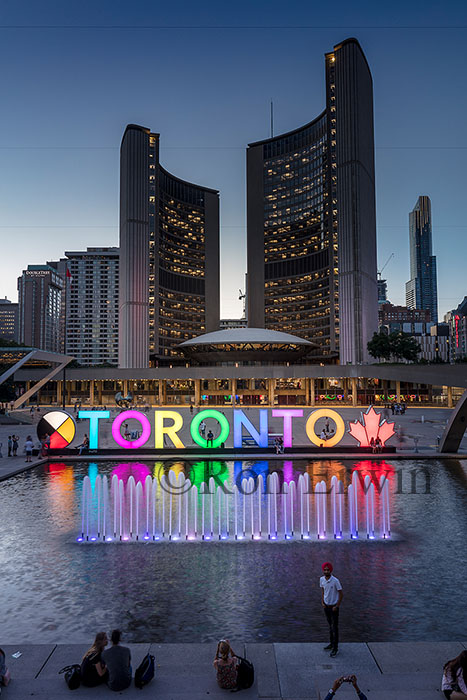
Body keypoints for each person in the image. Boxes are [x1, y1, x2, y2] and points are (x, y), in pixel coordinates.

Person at [320, 561, 343, 657]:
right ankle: (331, 643)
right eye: (325, 570)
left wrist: (337, 605)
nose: (326, 571)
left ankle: (335, 647)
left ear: (330, 570)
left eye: (327, 570)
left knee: (335, 627)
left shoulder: (335, 581)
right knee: (330, 626)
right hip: (326, 606)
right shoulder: (321, 579)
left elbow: (341, 594)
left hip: (334, 607)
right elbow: (323, 591)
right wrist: (322, 602)